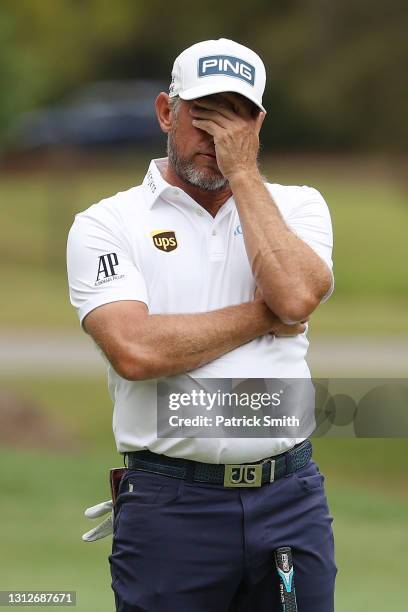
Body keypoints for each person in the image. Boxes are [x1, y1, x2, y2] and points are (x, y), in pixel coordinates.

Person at [67, 38, 337, 612]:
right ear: (167, 111)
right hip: (170, 503)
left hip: (289, 497)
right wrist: (269, 317)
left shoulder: (299, 206)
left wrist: (243, 173)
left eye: (235, 116)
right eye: (203, 113)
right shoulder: (107, 222)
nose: (217, 134)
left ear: (258, 125)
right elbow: (135, 351)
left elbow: (294, 291)